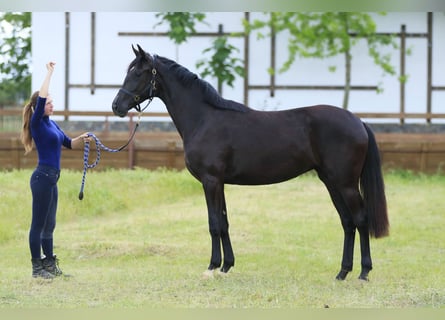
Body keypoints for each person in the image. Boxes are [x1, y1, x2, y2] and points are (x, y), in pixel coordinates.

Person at [21, 62, 90, 279]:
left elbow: (69, 143)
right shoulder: (37, 122)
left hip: (52, 179)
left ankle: (49, 265)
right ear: (39, 106)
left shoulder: (52, 124)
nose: (51, 105)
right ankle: (36, 268)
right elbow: (40, 97)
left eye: (52, 102)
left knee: (50, 225)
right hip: (42, 178)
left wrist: (83, 138)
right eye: (48, 103)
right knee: (38, 224)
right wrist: (49, 73)